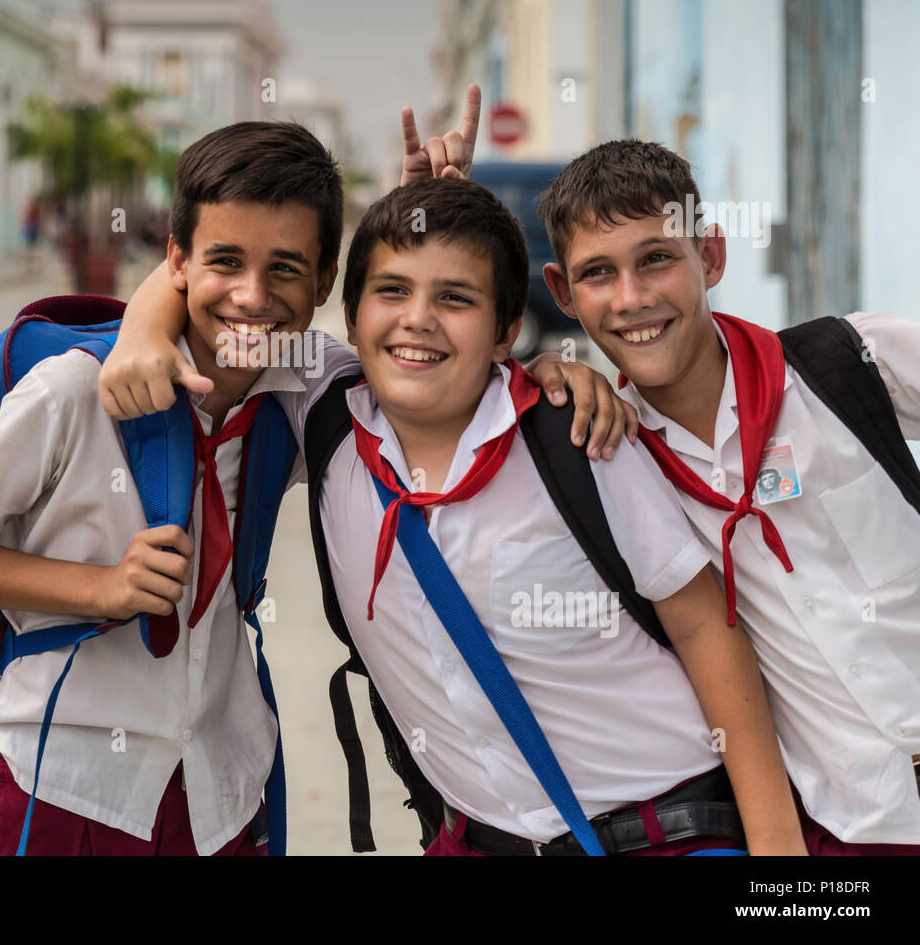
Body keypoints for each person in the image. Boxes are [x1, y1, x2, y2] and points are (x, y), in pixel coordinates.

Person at [102, 170, 805, 855]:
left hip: (663, 830)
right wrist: (140, 329)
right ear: (350, 317)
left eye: (456, 298)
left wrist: (778, 854)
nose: (418, 319)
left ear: (505, 335)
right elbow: (222, 281)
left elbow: (705, 628)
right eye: (392, 291)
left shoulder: (577, 439)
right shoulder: (323, 407)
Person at [515, 136, 920, 855]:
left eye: (657, 259)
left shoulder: (849, 361)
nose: (633, 298)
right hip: (853, 829)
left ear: (710, 256)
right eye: (598, 274)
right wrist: (540, 360)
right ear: (563, 293)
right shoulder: (614, 466)